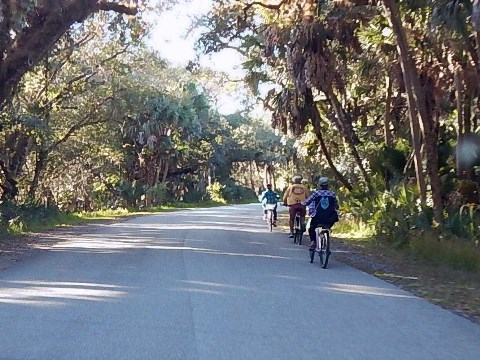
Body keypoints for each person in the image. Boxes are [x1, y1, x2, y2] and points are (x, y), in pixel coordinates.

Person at [302, 177, 339, 253]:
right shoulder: (332, 194)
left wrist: (302, 203)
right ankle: (327, 230)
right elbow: (336, 205)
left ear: (320, 185)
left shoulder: (316, 193)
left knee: (311, 228)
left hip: (318, 217)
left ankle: (313, 242)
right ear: (328, 185)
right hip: (330, 218)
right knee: (328, 225)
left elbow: (308, 202)